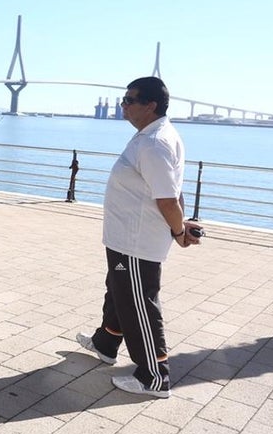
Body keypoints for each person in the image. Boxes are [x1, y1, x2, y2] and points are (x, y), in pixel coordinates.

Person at [76, 76, 201, 399]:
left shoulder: (154, 143)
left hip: (135, 244)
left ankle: (154, 376)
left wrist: (178, 232)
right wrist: (182, 224)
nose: (123, 105)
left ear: (150, 105)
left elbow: (167, 199)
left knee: (139, 305)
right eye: (123, 99)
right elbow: (172, 189)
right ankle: (105, 343)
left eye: (130, 100)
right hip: (124, 240)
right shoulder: (151, 137)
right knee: (119, 292)